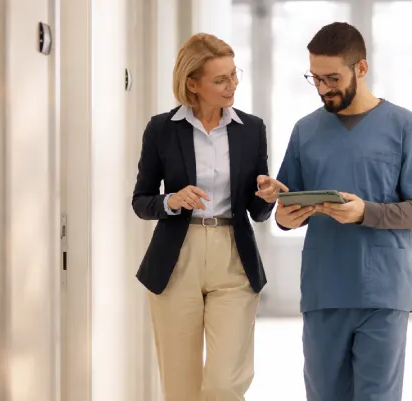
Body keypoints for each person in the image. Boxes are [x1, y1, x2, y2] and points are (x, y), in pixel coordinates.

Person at [275, 22, 412, 401]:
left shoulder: (406, 127)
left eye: (332, 78)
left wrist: (364, 212)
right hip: (324, 291)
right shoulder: (305, 131)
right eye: (315, 79)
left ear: (362, 69)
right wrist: (283, 219)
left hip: (383, 293)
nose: (323, 88)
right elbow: (289, 204)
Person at [132, 33, 286, 401]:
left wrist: (267, 195)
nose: (232, 85)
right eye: (220, 79)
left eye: (234, 75)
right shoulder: (161, 129)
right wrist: (173, 200)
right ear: (192, 83)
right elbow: (141, 201)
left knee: (223, 385)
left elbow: (258, 211)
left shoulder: (252, 129)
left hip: (233, 255)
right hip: (176, 259)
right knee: (181, 387)